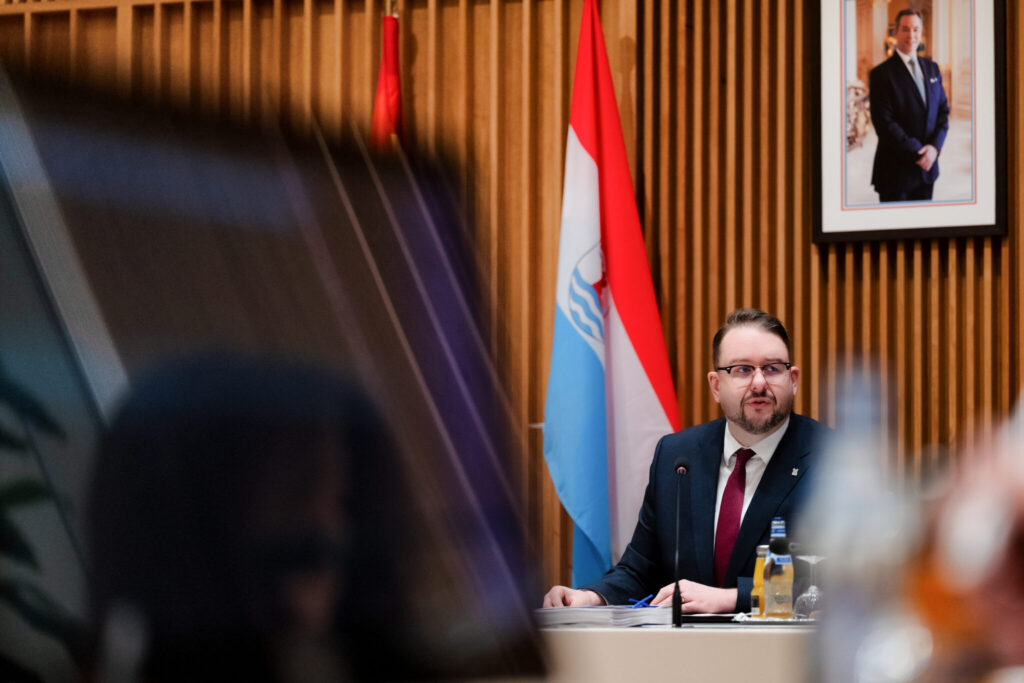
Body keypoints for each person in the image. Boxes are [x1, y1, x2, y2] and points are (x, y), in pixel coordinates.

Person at [542, 309, 831, 613]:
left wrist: (731, 598)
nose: (759, 383)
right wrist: (589, 596)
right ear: (716, 385)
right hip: (684, 643)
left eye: (772, 369)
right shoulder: (677, 456)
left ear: (793, 380)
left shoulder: (831, 460)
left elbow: (837, 581)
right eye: (743, 370)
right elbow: (641, 569)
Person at [869, 8, 950, 202]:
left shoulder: (933, 68)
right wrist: (919, 153)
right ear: (895, 32)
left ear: (920, 32)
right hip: (895, 174)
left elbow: (943, 111)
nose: (911, 35)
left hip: (928, 171)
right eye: (905, 29)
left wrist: (934, 148)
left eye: (915, 29)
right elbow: (885, 124)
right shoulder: (881, 74)